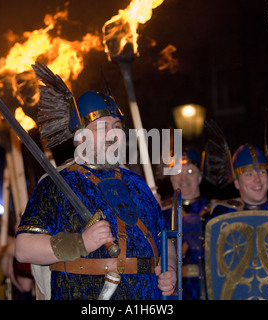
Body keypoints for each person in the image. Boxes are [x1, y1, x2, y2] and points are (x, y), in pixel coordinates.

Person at [15, 62, 177, 300]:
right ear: (80, 138)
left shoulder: (137, 183)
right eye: (102, 127)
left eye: (117, 126)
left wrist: (169, 268)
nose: (113, 133)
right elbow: (24, 248)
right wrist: (81, 242)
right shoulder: (56, 183)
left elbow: (164, 240)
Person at [156, 148, 211, 300]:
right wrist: (149, 209)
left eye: (190, 172)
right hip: (173, 293)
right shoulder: (160, 213)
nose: (183, 178)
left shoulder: (217, 212)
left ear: (200, 178)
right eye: (177, 172)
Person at [210, 143, 268, 217]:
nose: (257, 179)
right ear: (237, 184)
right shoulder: (223, 213)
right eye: (249, 174)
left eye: (262, 172)